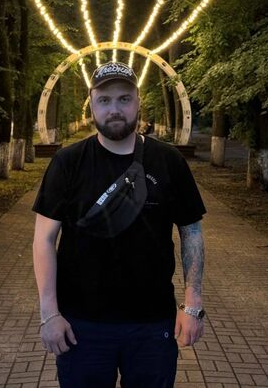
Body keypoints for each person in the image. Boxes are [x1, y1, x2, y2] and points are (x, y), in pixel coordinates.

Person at [32, 61, 206, 388]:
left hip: (153, 324)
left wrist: (193, 304)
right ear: (92, 104)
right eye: (105, 100)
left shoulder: (169, 161)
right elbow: (43, 239)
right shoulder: (67, 162)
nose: (115, 109)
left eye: (124, 99)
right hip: (80, 324)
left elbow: (191, 230)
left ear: (138, 101)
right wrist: (49, 314)